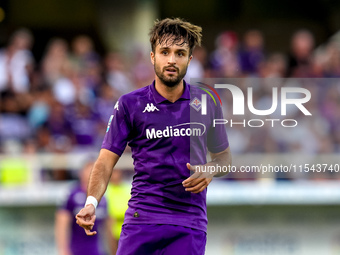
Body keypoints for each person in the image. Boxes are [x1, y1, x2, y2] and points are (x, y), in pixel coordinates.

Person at [76, 17, 232, 255]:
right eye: (165, 52)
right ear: (152, 57)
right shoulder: (130, 104)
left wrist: (211, 169)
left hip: (188, 223)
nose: (171, 60)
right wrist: (91, 203)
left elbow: (224, 159)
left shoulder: (207, 102)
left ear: (189, 60)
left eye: (180, 53)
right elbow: (105, 161)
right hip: (142, 220)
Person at [55, 161, 114, 255]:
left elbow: (108, 227)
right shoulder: (72, 194)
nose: (92, 174)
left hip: (97, 251)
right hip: (76, 250)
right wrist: (63, 250)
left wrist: (113, 250)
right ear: (81, 173)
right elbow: (62, 224)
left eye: (95, 171)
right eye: (89, 170)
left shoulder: (103, 198)